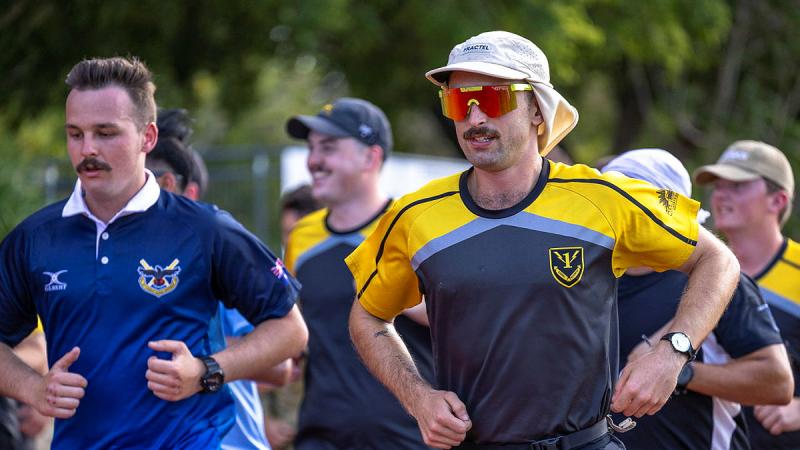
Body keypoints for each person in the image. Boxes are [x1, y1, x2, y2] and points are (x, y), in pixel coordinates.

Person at [346, 30, 740, 450]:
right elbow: (367, 316)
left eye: (493, 99)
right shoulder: (413, 215)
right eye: (460, 102)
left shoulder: (604, 198)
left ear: (537, 108)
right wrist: (418, 398)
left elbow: (717, 259)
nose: (475, 119)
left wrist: (672, 353)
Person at [0, 57, 308, 449]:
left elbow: (290, 330)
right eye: (75, 134)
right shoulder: (35, 237)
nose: (87, 149)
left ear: (147, 137)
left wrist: (206, 369)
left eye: (106, 133)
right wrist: (33, 387)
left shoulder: (204, 229)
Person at [603, 148, 793, 450]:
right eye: (609, 197)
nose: (618, 210)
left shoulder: (716, 280)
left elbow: (778, 382)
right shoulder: (589, 275)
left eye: (633, 199)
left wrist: (676, 365)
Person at [284, 98, 434, 449]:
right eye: (311, 148)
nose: (314, 161)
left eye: (329, 148)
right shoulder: (301, 237)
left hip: (408, 440)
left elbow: (462, 320)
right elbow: (297, 336)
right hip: (318, 438)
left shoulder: (413, 228)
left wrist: (393, 294)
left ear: (371, 157)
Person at [148, 107, 296, 450]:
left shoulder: (213, 258)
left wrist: (196, 358)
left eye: (147, 181)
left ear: (186, 190)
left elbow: (281, 366)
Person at [694, 140, 800, 449]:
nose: (720, 194)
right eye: (718, 185)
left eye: (738, 185)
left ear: (778, 200)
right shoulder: (693, 266)